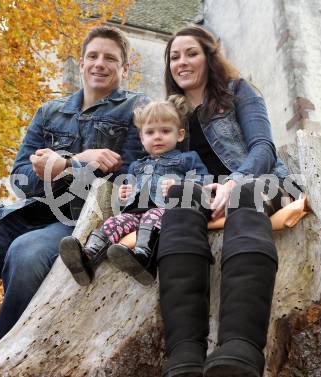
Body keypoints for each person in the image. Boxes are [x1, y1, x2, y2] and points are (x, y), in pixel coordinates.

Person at [0, 25, 148, 375]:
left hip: (75, 220)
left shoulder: (136, 109)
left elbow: (128, 180)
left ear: (124, 69)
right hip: (25, 212)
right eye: (93, 56)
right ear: (83, 61)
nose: (99, 64)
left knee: (25, 256)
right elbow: (20, 178)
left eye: (110, 58)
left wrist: (62, 165)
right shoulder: (50, 111)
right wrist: (74, 162)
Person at [111, 25, 302, 377]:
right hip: (201, 190)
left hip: (256, 179)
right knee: (178, 209)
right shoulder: (173, 115)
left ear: (209, 57)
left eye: (191, 53)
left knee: (246, 196)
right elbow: (146, 164)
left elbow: (263, 147)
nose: (182, 62)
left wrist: (235, 181)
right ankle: (185, 354)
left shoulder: (239, 92)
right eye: (174, 56)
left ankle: (240, 347)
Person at [60, 95, 210, 286]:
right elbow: (129, 193)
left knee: (153, 216)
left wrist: (180, 186)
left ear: (179, 135)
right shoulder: (136, 166)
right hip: (136, 212)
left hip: (167, 212)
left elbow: (204, 182)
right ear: (141, 138)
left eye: (165, 131)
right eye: (150, 132)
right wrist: (124, 195)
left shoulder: (187, 159)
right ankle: (87, 257)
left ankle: (143, 257)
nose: (157, 136)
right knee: (116, 221)